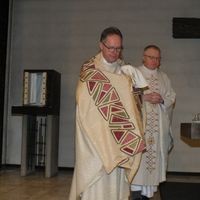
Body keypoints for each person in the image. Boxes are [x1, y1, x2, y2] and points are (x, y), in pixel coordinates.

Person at [69, 27, 147, 200]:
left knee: (115, 187)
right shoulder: (90, 71)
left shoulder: (124, 71)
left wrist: (134, 88)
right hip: (96, 139)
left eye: (118, 48)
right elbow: (83, 104)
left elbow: (133, 108)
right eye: (111, 47)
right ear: (101, 45)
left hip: (118, 139)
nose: (114, 52)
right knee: (97, 184)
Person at [131, 45, 176, 200]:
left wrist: (162, 99)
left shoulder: (164, 78)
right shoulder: (134, 74)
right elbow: (125, 96)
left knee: (150, 171)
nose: (154, 60)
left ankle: (145, 196)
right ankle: (136, 195)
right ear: (143, 57)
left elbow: (171, 97)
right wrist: (144, 98)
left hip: (157, 133)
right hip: (139, 131)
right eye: (151, 57)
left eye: (157, 58)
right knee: (138, 166)